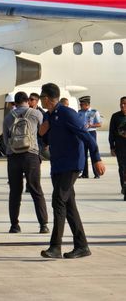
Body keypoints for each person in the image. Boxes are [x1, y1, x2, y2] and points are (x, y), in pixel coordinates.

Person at [39, 83, 105, 259]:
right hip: (58, 166)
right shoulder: (49, 116)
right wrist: (42, 132)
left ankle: (55, 247)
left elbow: (87, 137)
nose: (40, 100)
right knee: (69, 206)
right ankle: (82, 246)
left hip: (72, 165)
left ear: (47, 98)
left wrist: (97, 158)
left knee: (58, 200)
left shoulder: (68, 114)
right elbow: (46, 139)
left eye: (41, 97)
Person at [2, 92, 49, 234]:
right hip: (31, 155)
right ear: (28, 101)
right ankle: (43, 224)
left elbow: (5, 139)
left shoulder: (9, 116)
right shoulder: (36, 114)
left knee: (15, 192)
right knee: (36, 190)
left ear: (15, 103)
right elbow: (44, 132)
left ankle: (14, 225)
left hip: (14, 156)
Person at [77, 96, 102, 179]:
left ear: (87, 104)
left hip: (91, 133)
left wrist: (91, 125)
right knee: (83, 154)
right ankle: (85, 173)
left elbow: (99, 124)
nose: (80, 105)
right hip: (83, 133)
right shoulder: (79, 112)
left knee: (93, 153)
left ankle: (97, 173)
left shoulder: (94, 112)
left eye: (82, 104)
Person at [108, 96, 126, 199]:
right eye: (121, 103)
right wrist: (112, 146)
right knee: (122, 168)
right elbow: (111, 133)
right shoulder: (115, 116)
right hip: (120, 147)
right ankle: (124, 187)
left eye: (124, 103)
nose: (122, 105)